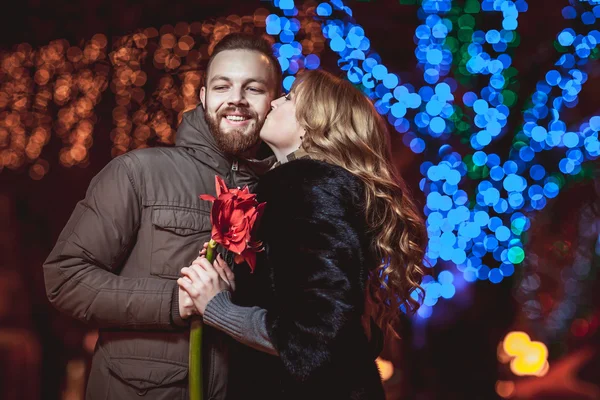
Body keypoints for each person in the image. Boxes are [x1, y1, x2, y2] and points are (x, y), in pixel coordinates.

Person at [43, 32, 281, 400]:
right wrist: (176, 300)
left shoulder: (285, 196)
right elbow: (65, 277)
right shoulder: (138, 172)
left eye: (253, 89)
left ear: (274, 101)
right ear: (203, 97)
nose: (236, 99)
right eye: (222, 86)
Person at [178, 69, 427, 399]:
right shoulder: (316, 192)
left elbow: (318, 336)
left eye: (290, 98)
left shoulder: (308, 189)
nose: (274, 101)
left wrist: (218, 307)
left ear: (316, 122)